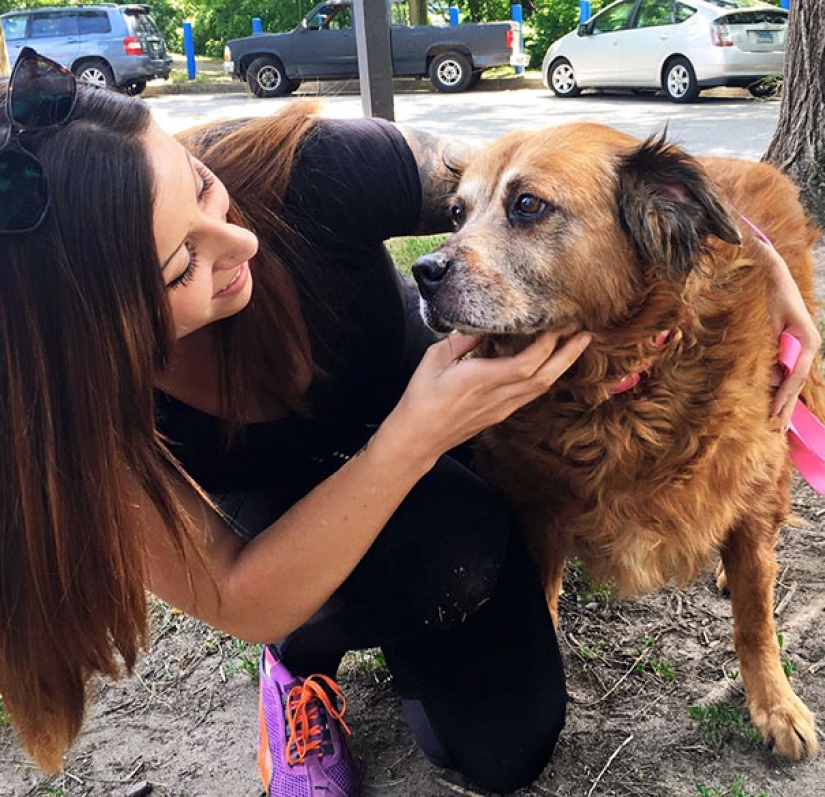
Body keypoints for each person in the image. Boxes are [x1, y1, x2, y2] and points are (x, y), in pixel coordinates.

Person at [0, 48, 818, 797]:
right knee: (440, 552)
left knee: (506, 750)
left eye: (202, 185)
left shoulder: (311, 173)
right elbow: (239, 595)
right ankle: (299, 667)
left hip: (434, 447)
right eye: (183, 261)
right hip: (286, 524)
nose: (240, 237)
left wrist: (759, 249)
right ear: (90, 331)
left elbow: (564, 177)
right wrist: (413, 435)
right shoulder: (63, 417)